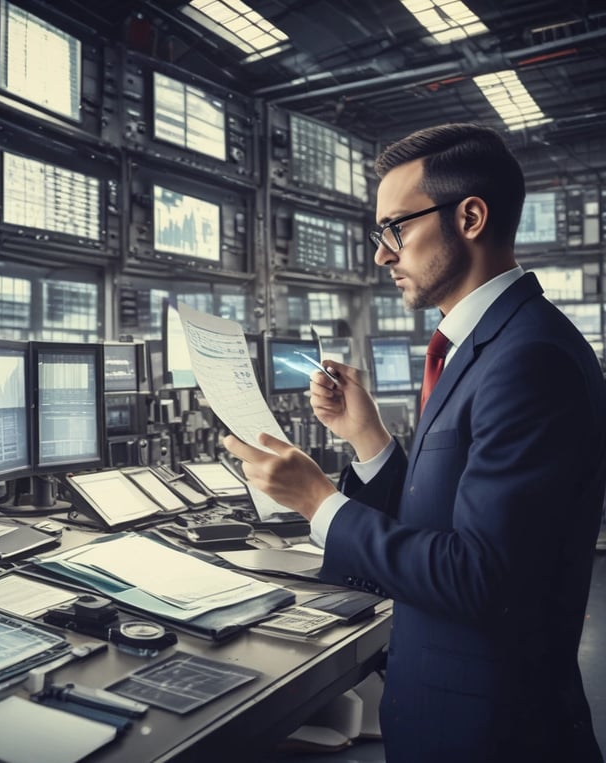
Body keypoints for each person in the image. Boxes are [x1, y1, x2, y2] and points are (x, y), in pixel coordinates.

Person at [224, 123, 606, 763]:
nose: (382, 254)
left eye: (394, 227)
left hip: (492, 734)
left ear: (472, 217)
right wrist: (369, 439)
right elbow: (446, 520)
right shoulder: (485, 345)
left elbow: (482, 576)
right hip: (452, 714)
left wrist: (319, 502)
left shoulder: (529, 357)